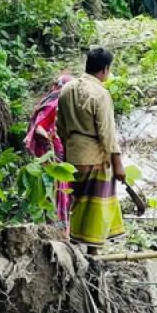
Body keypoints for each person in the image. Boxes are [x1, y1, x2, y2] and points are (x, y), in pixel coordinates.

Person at [56, 48, 125, 253]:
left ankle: (75, 245)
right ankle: (93, 251)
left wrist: (69, 151)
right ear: (105, 70)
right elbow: (107, 132)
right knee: (96, 203)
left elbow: (60, 127)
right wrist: (118, 163)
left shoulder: (66, 89)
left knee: (78, 201)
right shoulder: (100, 94)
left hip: (74, 153)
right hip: (94, 154)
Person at [23, 73, 75, 230]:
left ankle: (57, 229)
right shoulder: (54, 102)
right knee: (58, 192)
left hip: (52, 157)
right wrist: (50, 140)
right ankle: (58, 230)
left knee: (57, 192)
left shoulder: (50, 100)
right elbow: (39, 127)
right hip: (52, 159)